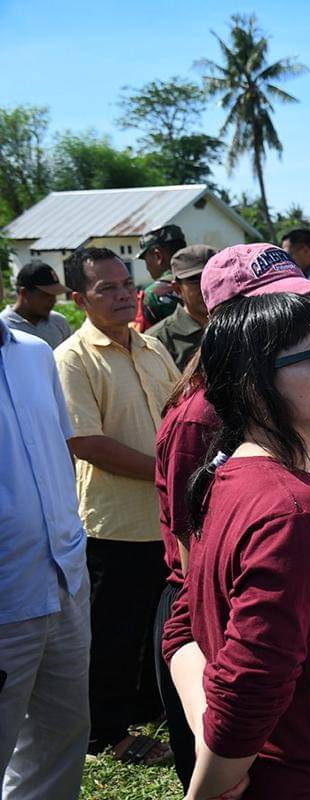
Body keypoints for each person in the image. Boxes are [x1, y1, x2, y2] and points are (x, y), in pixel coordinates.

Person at [162, 291, 310, 800]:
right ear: (254, 384)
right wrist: (212, 778)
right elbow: (249, 687)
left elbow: (182, 628)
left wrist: (211, 741)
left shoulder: (232, 477)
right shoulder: (292, 514)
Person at [153, 242, 310, 791]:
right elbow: (194, 558)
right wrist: (220, 751)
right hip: (215, 614)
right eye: (279, 310)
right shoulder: (200, 419)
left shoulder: (285, 426)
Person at [55, 247, 180, 763]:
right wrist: (167, 473)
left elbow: (177, 413)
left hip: (165, 518)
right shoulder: (71, 358)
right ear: (79, 298)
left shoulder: (152, 347)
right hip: (114, 525)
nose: (124, 294)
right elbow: (87, 443)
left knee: (157, 624)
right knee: (113, 632)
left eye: (126, 284)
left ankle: (147, 709)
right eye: (106, 288)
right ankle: (105, 733)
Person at [0, 302, 90, 799]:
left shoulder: (35, 354)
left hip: (63, 579)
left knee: (61, 735)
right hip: (7, 596)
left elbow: (59, 451)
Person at [147, 245, 216, 370]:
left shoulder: (238, 325)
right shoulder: (158, 340)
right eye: (195, 280)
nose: (205, 286)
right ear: (177, 289)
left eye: (212, 277)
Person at [0, 260, 73, 347]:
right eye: (46, 295)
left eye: (54, 295)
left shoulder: (59, 322)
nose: (53, 300)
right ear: (24, 293)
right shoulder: (4, 326)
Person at [136, 224, 187, 330]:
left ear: (158, 256)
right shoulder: (205, 279)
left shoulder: (152, 294)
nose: (147, 267)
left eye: (146, 260)